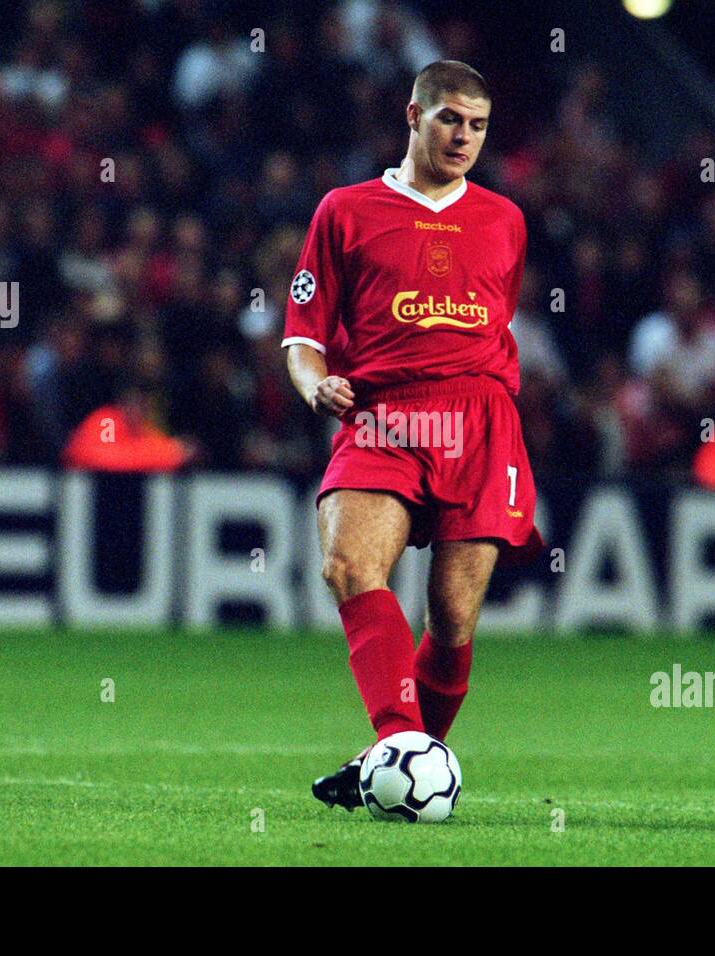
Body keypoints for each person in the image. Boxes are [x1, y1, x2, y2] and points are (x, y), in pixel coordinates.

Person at [282, 61, 541, 811]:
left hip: (480, 422)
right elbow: (302, 335)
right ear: (414, 116)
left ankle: (384, 764)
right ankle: (401, 743)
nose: (465, 137)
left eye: (479, 125)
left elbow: (499, 325)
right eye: (451, 120)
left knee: (454, 617)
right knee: (347, 565)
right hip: (385, 414)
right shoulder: (345, 210)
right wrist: (315, 384)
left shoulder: (505, 220)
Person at [62, 381, 194, 473]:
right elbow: (100, 458)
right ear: (122, 403)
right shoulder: (107, 420)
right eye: (133, 403)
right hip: (84, 496)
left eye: (142, 405)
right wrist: (170, 454)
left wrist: (176, 451)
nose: (137, 410)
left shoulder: (144, 430)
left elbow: (166, 450)